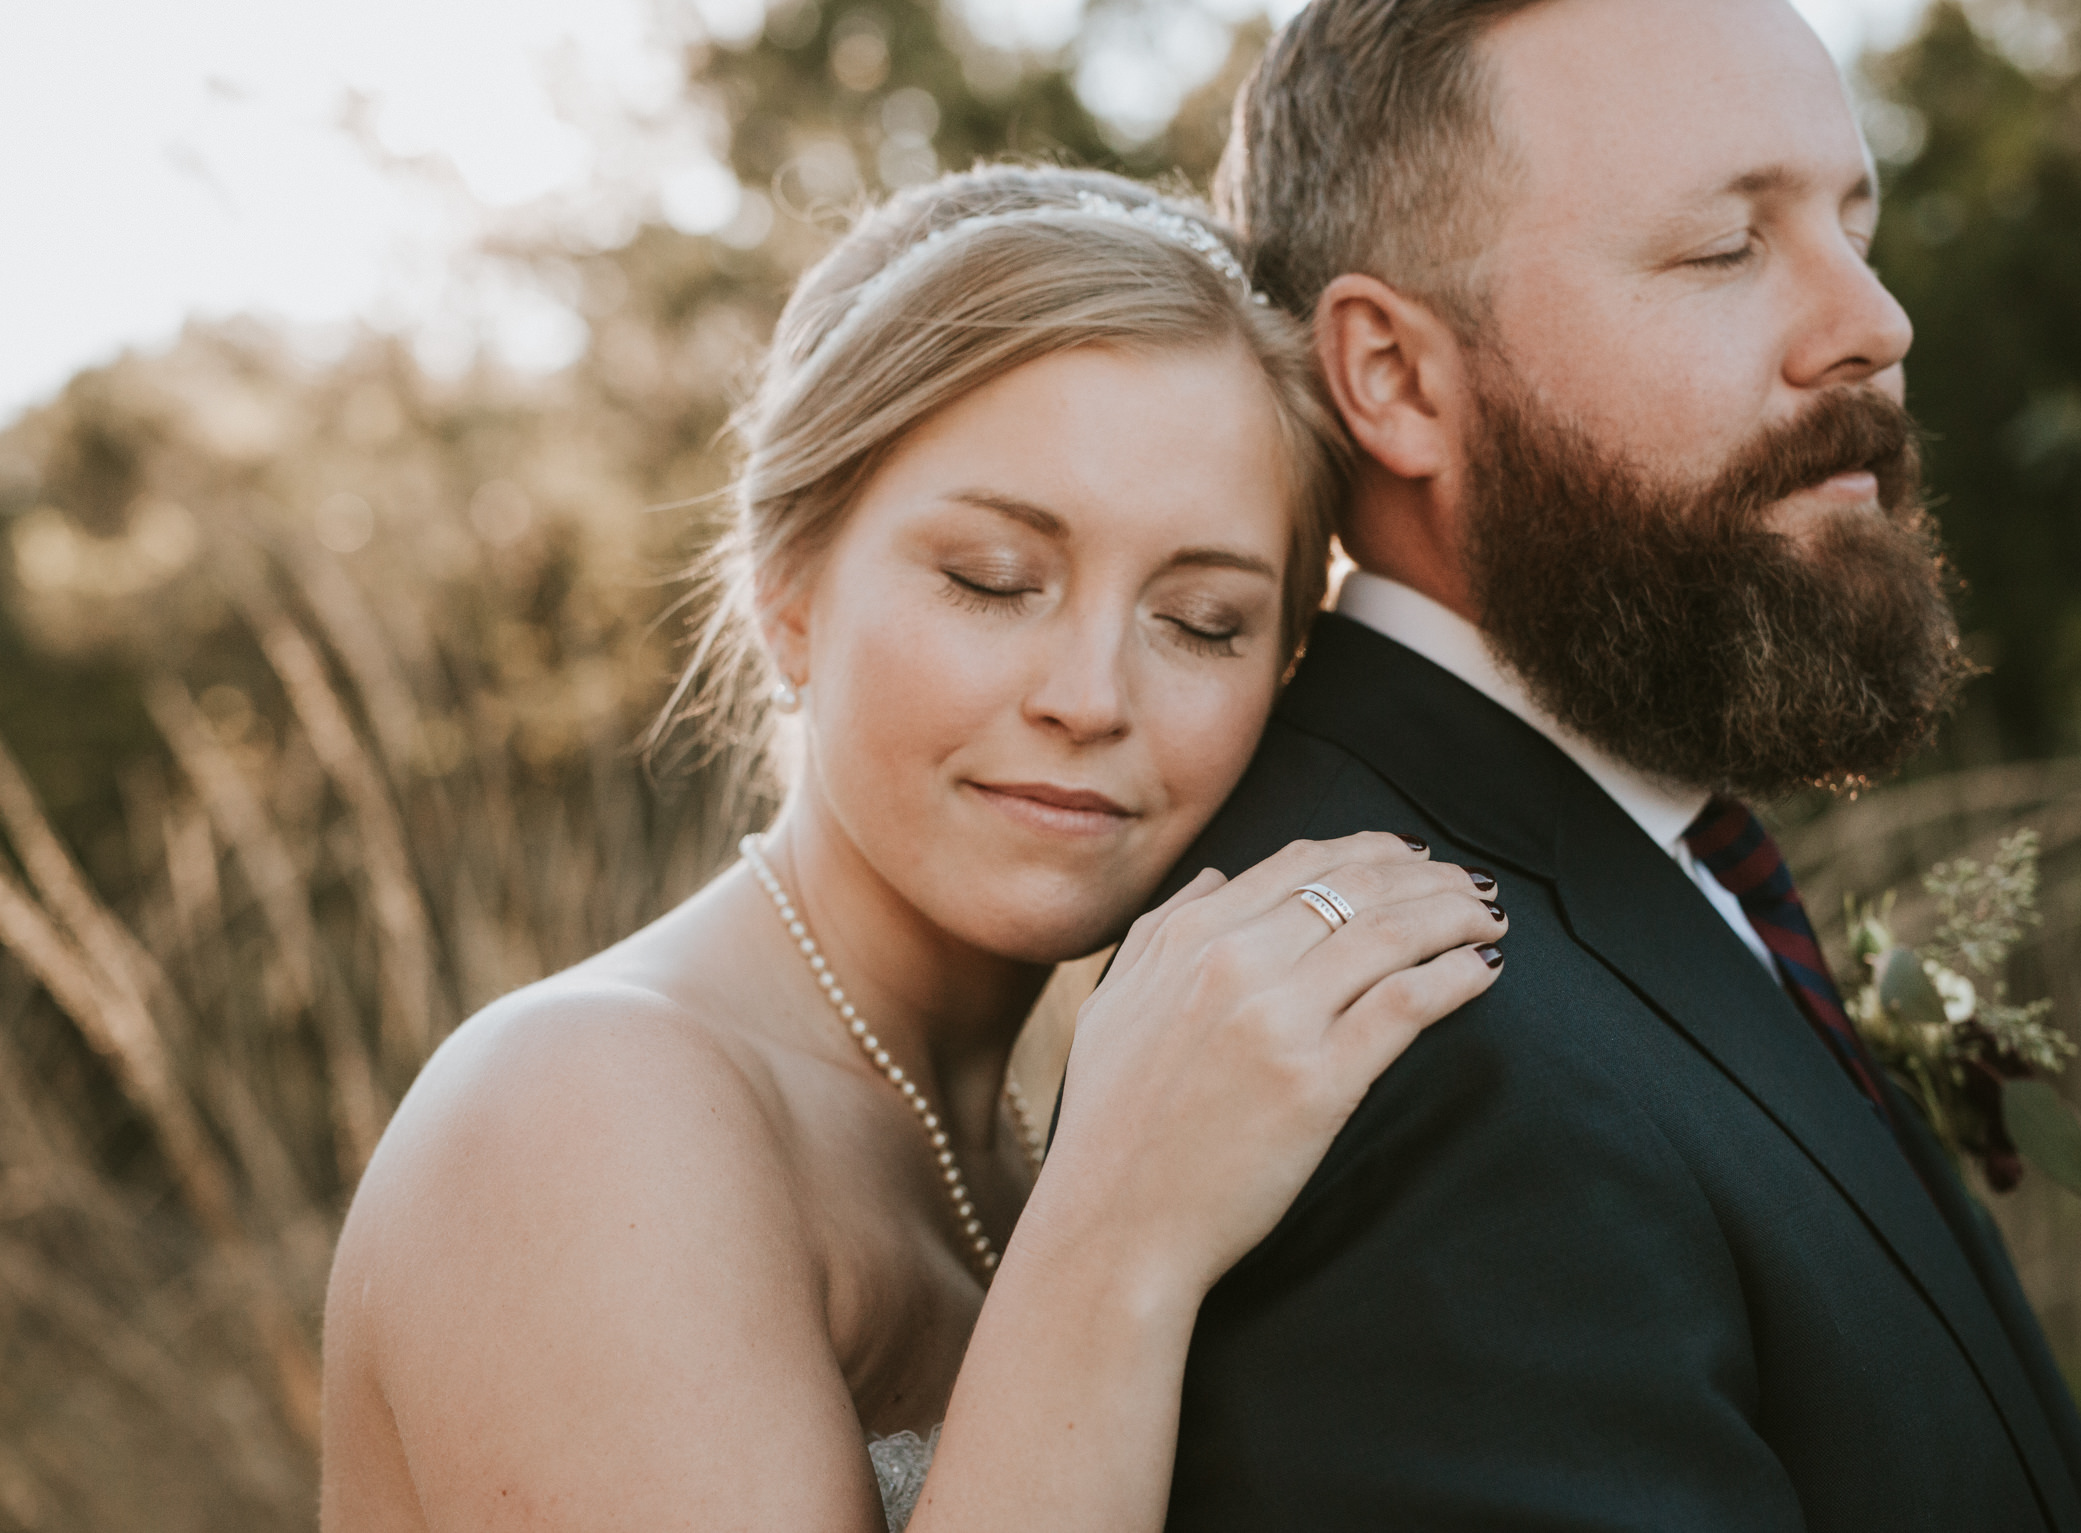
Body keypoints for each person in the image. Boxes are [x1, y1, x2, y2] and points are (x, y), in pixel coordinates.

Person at [317, 166, 1508, 1532]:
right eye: (992, 579)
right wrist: (1118, 1247)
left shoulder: (1029, 1132)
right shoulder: (580, 1108)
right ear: (789, 593)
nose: (1090, 693)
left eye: (1201, 620)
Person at [1154, 0, 2081, 1528]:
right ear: (1399, 379)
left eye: (1855, 225)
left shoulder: (1643, 840)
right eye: (1726, 249)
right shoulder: (1389, 1044)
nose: (1875, 322)